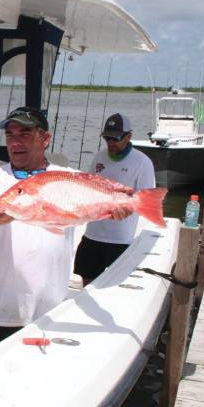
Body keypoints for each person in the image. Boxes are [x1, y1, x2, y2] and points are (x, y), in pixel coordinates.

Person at [0, 106, 75, 359]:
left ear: (45, 139)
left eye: (24, 134)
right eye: (10, 135)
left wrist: (119, 206)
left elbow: (102, 205)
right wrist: (1, 207)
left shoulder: (70, 179)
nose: (15, 142)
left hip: (50, 312)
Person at [73, 113, 154, 286]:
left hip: (120, 240)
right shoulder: (99, 157)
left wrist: (127, 208)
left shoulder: (142, 162)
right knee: (86, 280)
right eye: (107, 137)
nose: (111, 142)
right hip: (92, 235)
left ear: (128, 136)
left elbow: (148, 199)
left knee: (114, 287)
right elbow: (88, 186)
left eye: (115, 138)